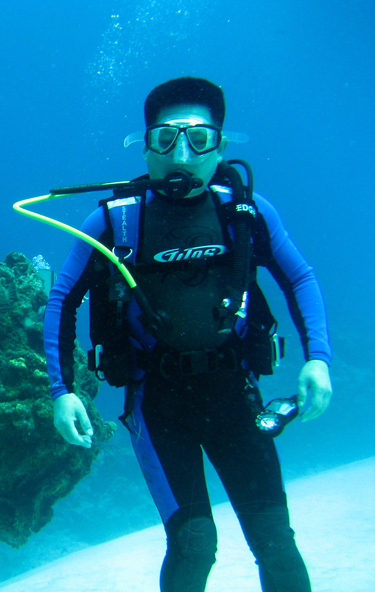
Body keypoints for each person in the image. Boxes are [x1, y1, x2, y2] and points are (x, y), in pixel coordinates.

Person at [43, 76, 332, 592]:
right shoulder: (115, 221)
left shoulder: (244, 213)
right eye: (165, 139)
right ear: (145, 146)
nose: (182, 155)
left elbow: (300, 278)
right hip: (159, 406)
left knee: (275, 540)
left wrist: (319, 358)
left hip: (234, 395)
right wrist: (61, 392)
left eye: (199, 140)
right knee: (194, 543)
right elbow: (63, 298)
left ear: (220, 146)